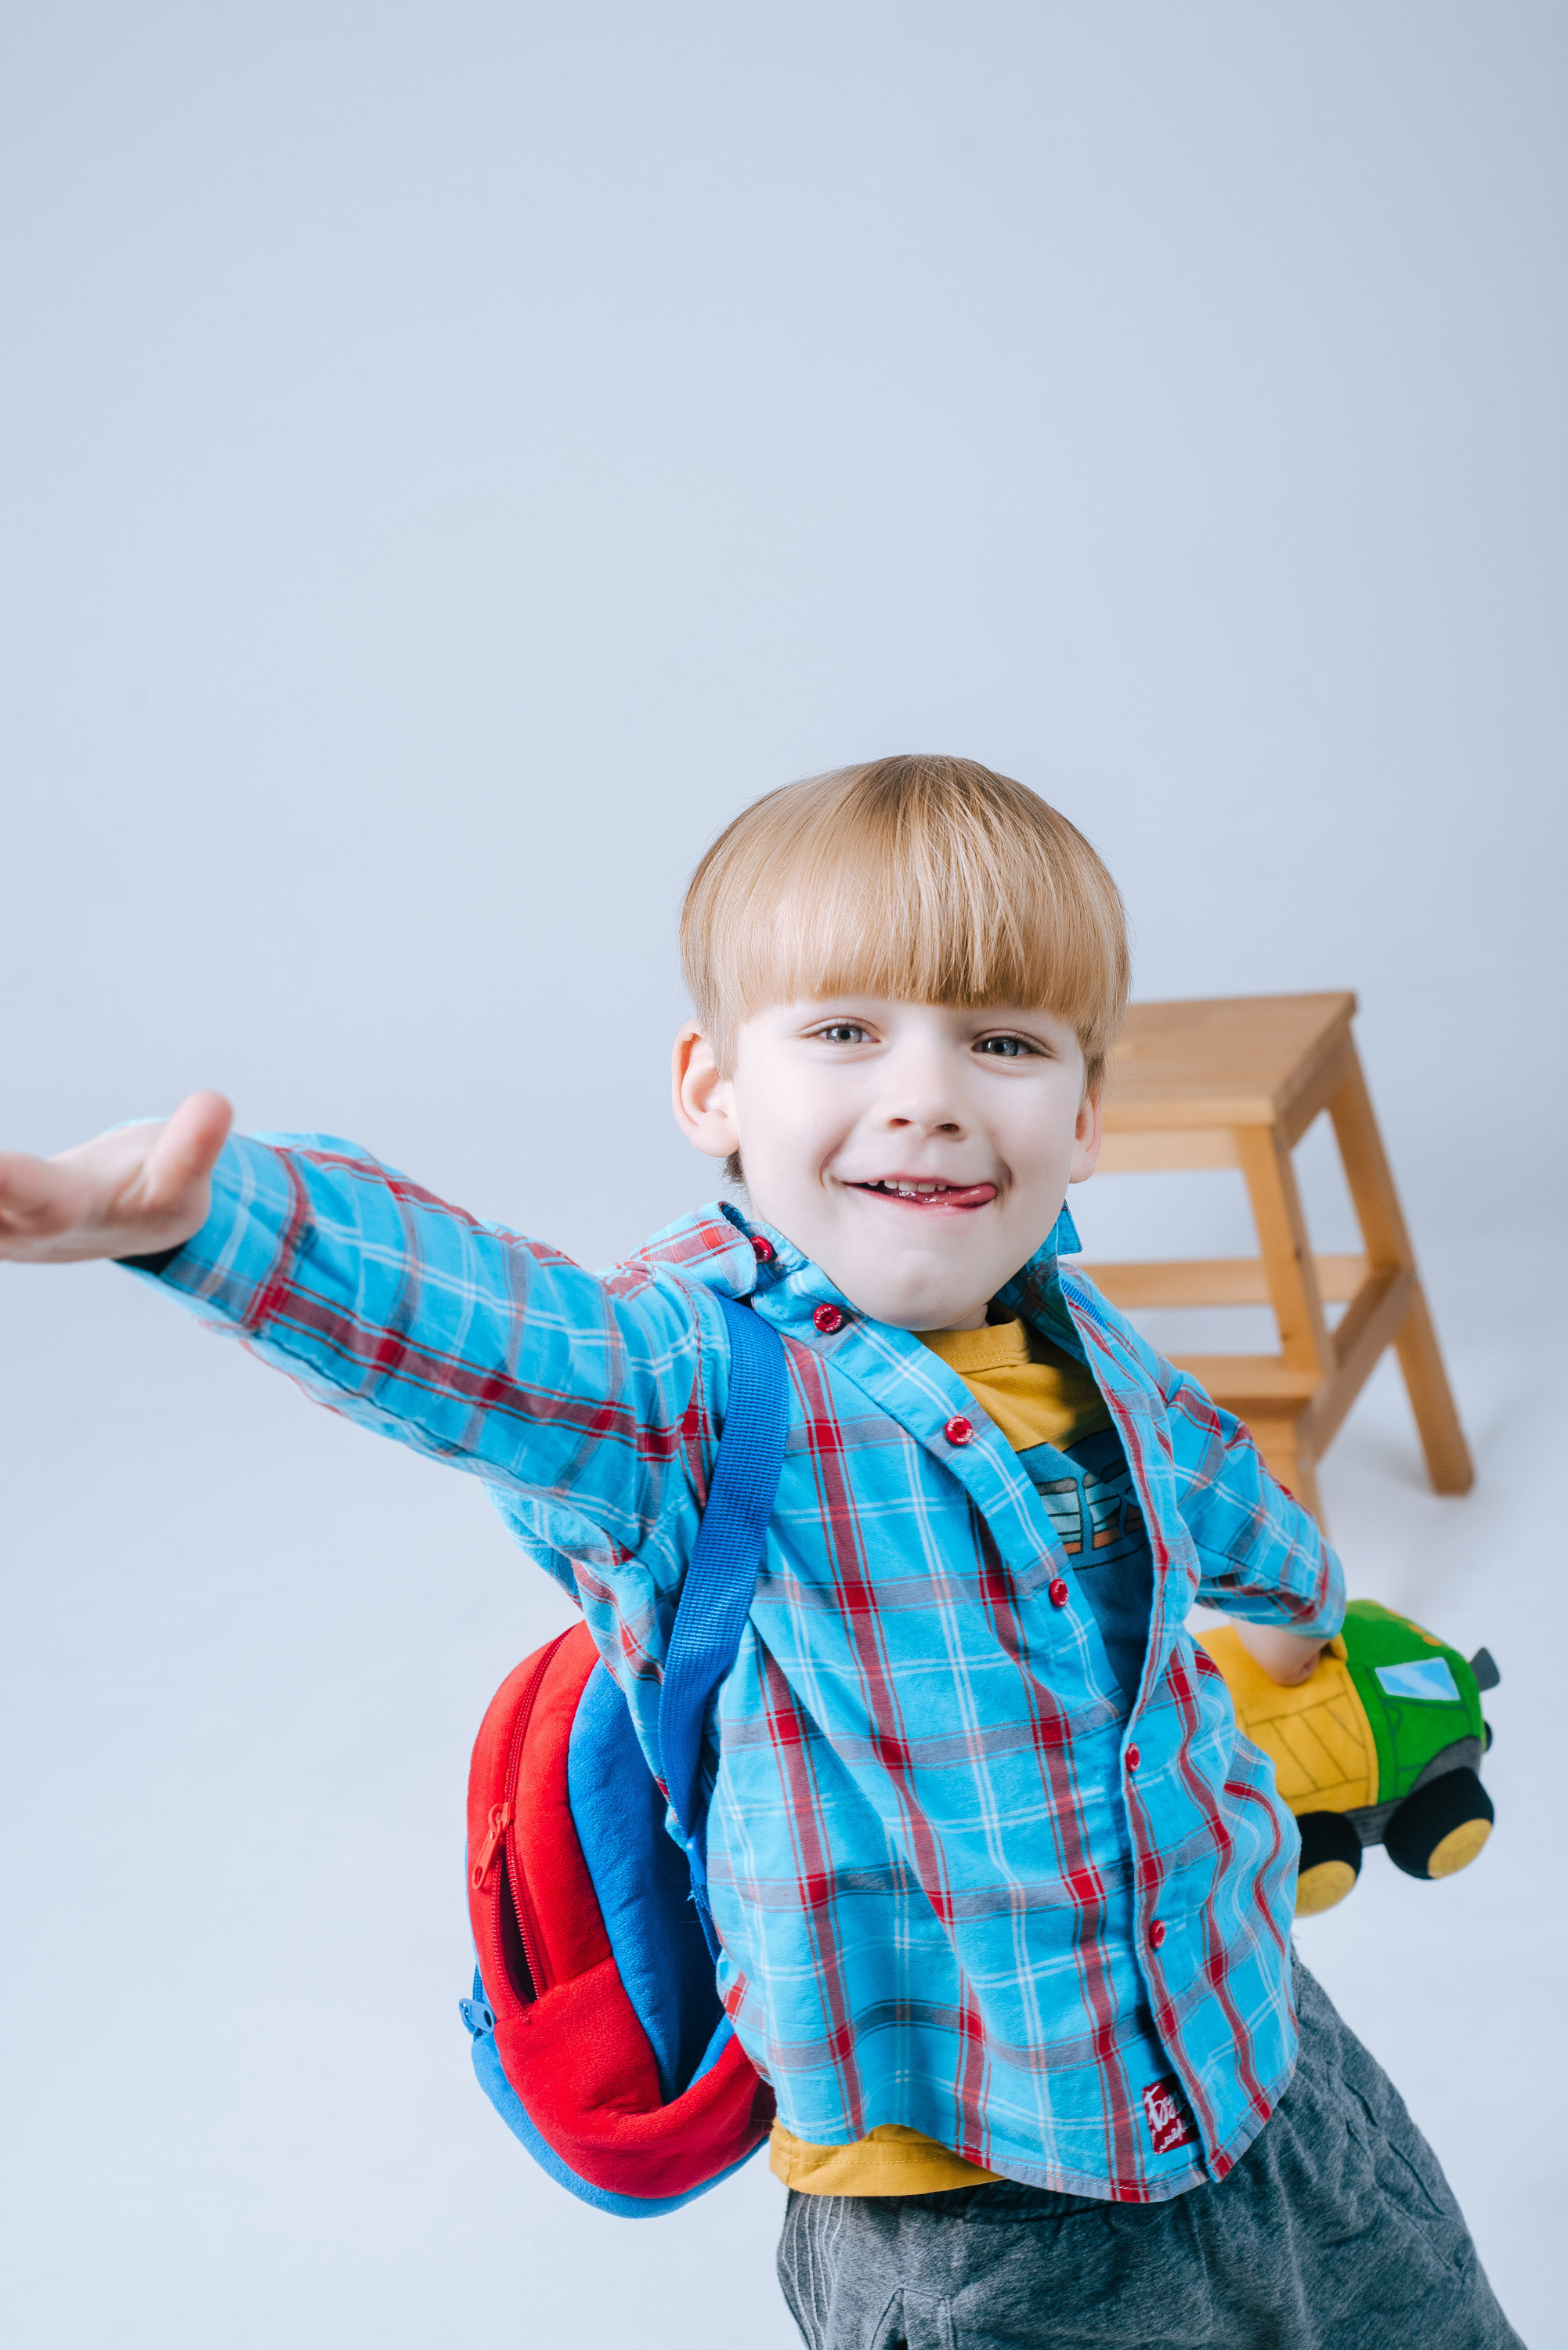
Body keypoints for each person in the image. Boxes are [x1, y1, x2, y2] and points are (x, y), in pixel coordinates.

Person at [0, 755, 1520, 2348]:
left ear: (1081, 1122)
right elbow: (475, 1325)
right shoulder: (685, 1394)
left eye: (998, 1040)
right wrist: (201, 1219)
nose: (926, 1090)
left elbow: (1215, 1497)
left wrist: (1295, 1626)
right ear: (714, 1088)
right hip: (981, 2211)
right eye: (846, 1031)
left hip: (1267, 2070)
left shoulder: (1090, 1346)